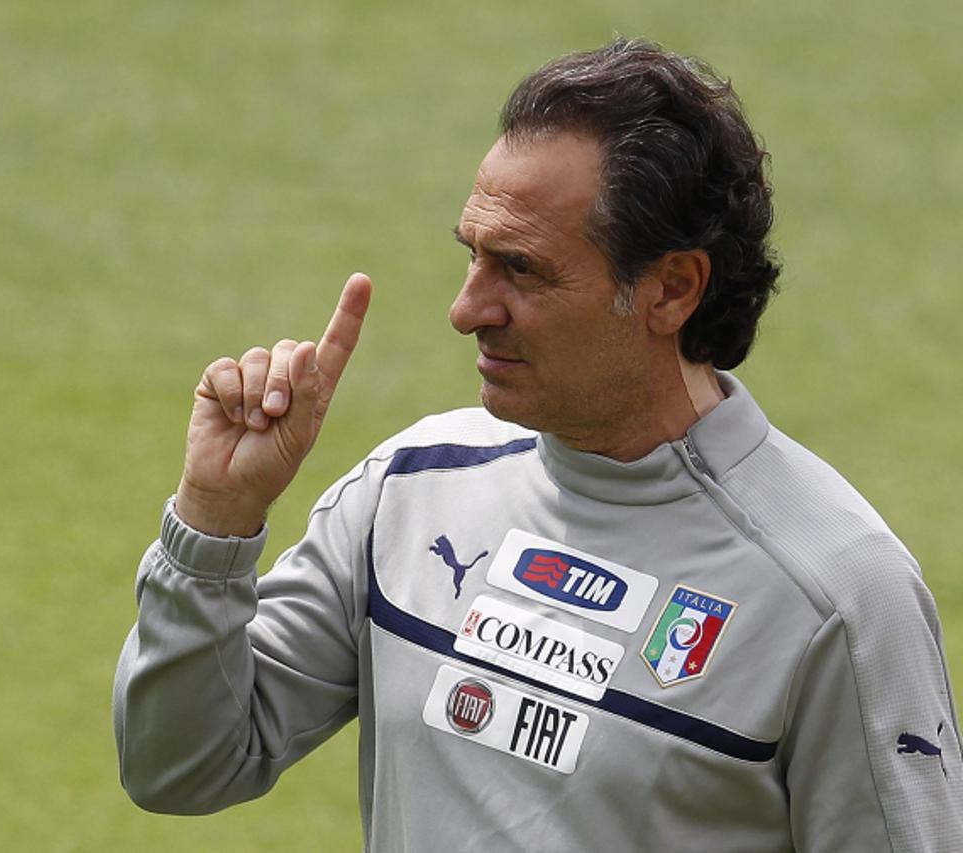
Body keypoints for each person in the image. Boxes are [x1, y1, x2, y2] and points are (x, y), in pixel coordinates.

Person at [113, 38, 962, 851]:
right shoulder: (413, 490)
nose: (466, 308)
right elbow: (180, 764)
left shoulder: (837, 598)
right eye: (472, 256)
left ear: (671, 287)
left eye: (521, 269)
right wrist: (214, 524)